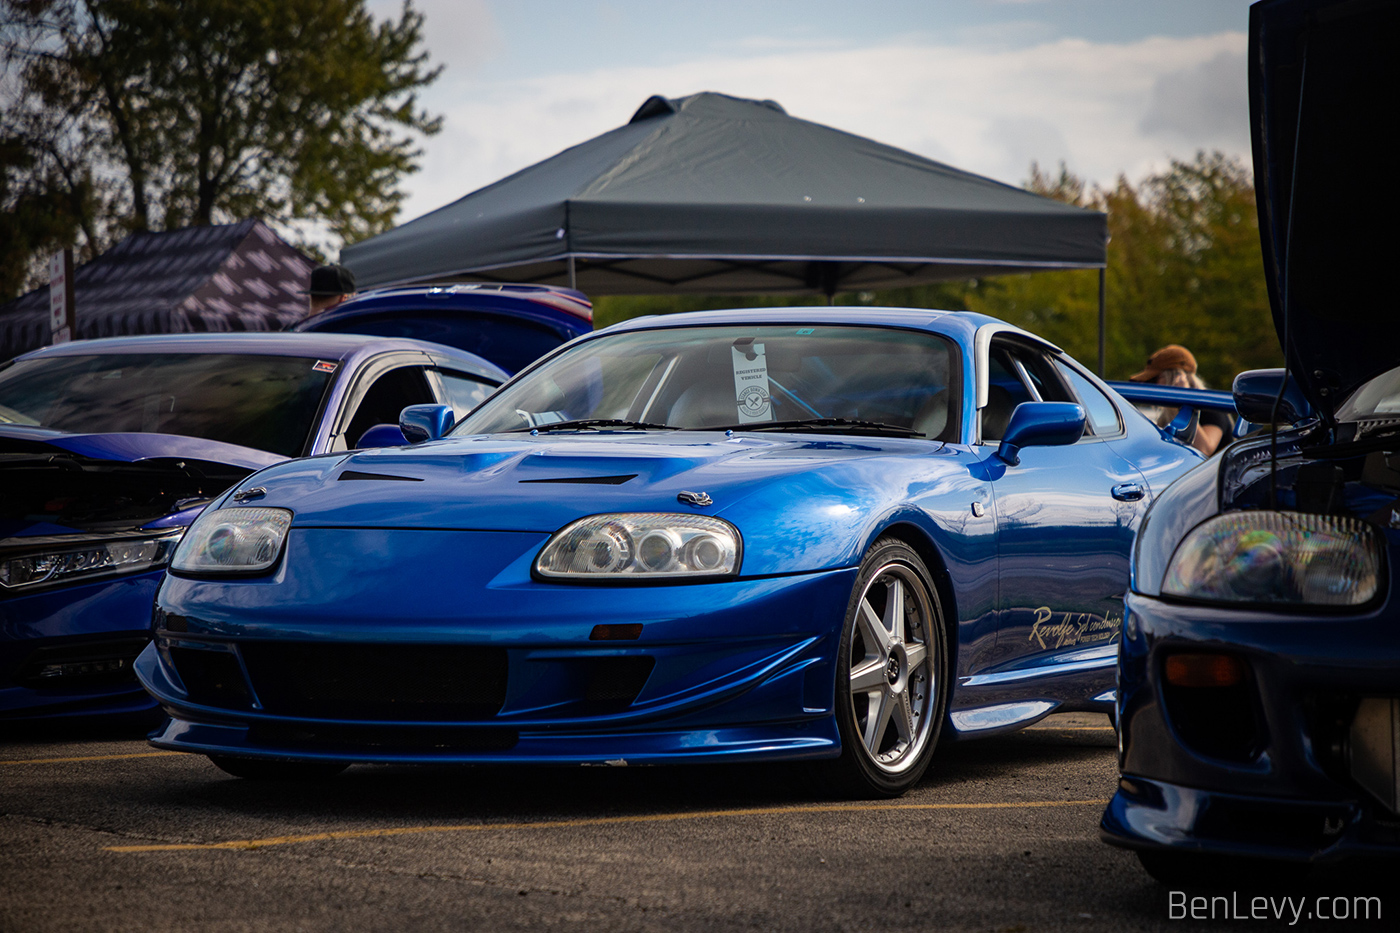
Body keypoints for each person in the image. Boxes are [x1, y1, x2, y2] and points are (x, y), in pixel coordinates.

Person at [1129, 344, 1231, 457]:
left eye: (1156, 379)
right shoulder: (1168, 414)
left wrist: (1183, 399)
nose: (1154, 386)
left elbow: (1204, 450)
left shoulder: (1211, 406)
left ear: (1175, 377)